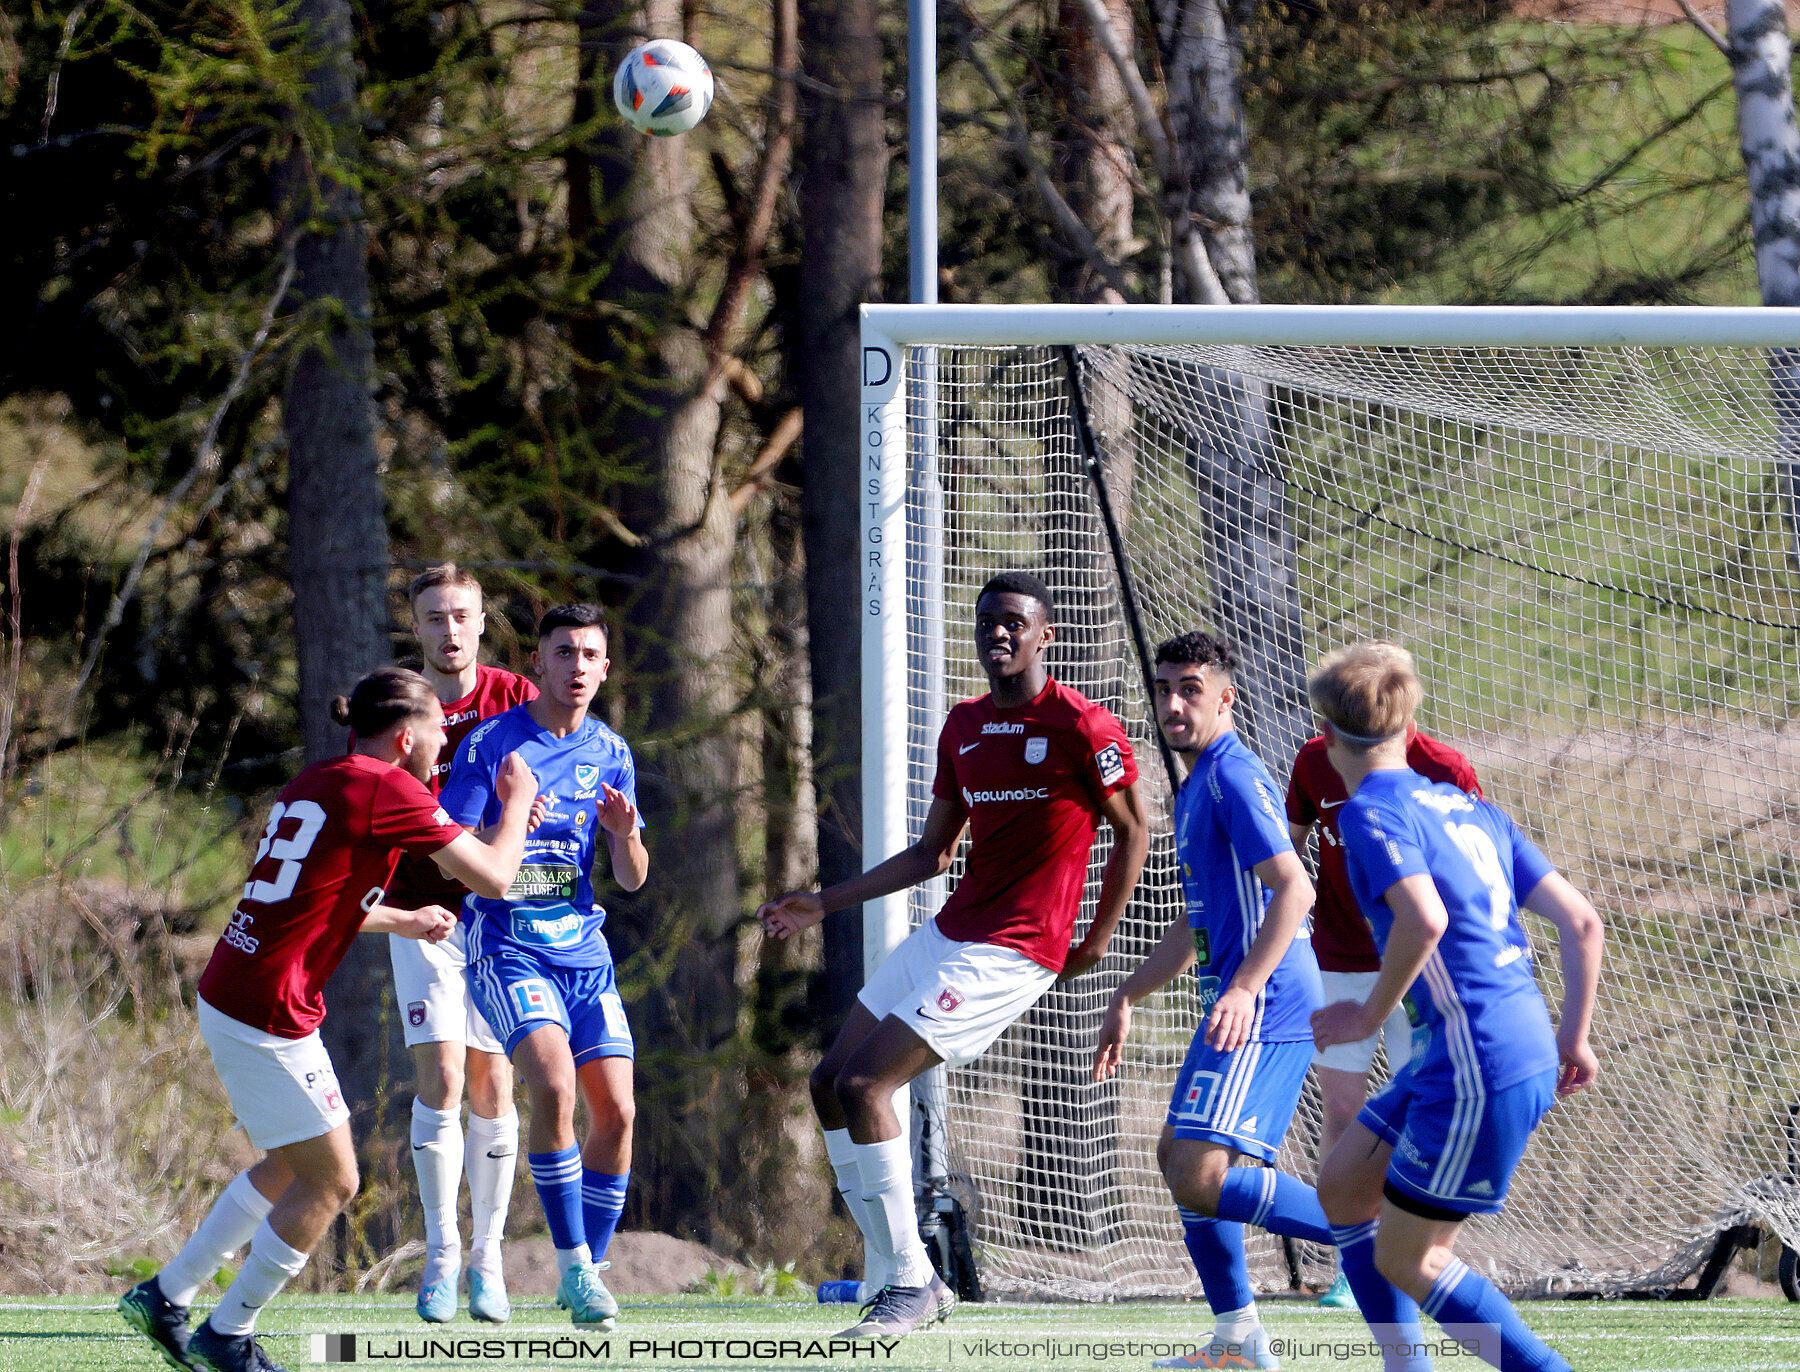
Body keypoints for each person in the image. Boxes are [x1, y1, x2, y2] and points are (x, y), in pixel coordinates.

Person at [760, 571, 1148, 1340]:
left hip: (1015, 949)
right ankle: (886, 1270)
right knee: (831, 1081)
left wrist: (1095, 942)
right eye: (986, 623)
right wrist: (824, 900)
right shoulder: (964, 726)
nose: (996, 634)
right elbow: (934, 854)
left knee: (872, 1084)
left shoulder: (1084, 726)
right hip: (952, 931)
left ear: (1046, 635)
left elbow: (1133, 831)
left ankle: (913, 1283)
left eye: (1013, 622)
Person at [120, 668, 534, 1372]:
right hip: (266, 1008)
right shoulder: (390, 787)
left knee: (292, 1163)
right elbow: (494, 876)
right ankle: (228, 1334)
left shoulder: (322, 778)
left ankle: (168, 1295)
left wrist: (400, 918)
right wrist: (520, 801)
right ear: (406, 739)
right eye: (437, 730)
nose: (445, 742)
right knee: (333, 1181)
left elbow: (308, 896)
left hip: (244, 987)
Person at [1309, 642, 1603, 1372]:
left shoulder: (1368, 813)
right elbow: (1582, 922)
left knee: (1412, 1258)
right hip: (1504, 1038)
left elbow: (1424, 920)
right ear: (1409, 728)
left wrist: (1368, 1015)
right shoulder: (1473, 810)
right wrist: (1574, 1036)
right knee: (1344, 1188)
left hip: (1476, 1058)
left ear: (1327, 736)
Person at [1093, 631, 1328, 1371]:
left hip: (1271, 1001)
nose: (1172, 702)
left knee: (1199, 1169)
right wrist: (1129, 991)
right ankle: (1238, 1342)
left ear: (1226, 697)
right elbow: (1198, 924)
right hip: (1242, 999)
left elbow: (1297, 888)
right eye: (1163, 688)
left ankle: (1381, 1230)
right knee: (1180, 1160)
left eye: (1189, 687)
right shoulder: (1195, 785)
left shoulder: (1233, 776)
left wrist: (1245, 987)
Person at [440, 603, 648, 1331]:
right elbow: (454, 852)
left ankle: (587, 1268)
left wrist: (624, 838)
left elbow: (630, 877)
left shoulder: (612, 751)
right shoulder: (493, 744)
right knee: (555, 1088)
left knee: (617, 1112)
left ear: (605, 668)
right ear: (539, 663)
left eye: (591, 655)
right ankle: (575, 1269)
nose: (578, 667)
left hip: (584, 953)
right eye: (565, 653)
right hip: (508, 943)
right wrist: (506, 828)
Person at [1286, 699, 1481, 1311]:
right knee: (1343, 1111)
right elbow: (1291, 853)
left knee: (1417, 1107)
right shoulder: (1315, 761)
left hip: (1421, 966)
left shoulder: (1444, 765)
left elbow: (1473, 863)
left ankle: (1417, 1254)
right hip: (1340, 959)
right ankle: (1355, 1266)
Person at [382, 565, 537, 1323]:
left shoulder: (514, 699)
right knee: (442, 1079)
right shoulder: (397, 705)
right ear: (417, 626)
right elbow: (372, 800)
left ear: (482, 622)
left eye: (462, 615)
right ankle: (441, 1254)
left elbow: (547, 786)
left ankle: (488, 1260)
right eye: (435, 616)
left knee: (493, 1087)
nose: (450, 629)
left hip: (498, 921)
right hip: (422, 916)